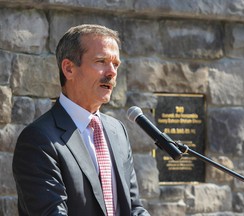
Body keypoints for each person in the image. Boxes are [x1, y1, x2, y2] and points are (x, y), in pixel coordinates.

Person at [12, 24, 150, 216]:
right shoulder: (38, 140)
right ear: (69, 69)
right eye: (101, 61)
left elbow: (133, 206)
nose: (111, 72)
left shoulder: (117, 130)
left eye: (115, 64)